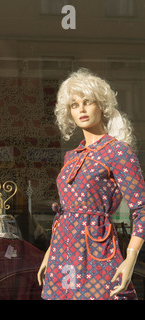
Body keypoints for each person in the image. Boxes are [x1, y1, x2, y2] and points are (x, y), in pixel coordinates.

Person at [37, 68, 145, 300]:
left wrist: (130, 258)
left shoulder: (118, 152)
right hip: (62, 255)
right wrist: (50, 252)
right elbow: (66, 212)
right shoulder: (72, 156)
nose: (82, 110)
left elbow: (142, 210)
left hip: (97, 250)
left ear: (101, 106)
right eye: (74, 105)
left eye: (87, 102)